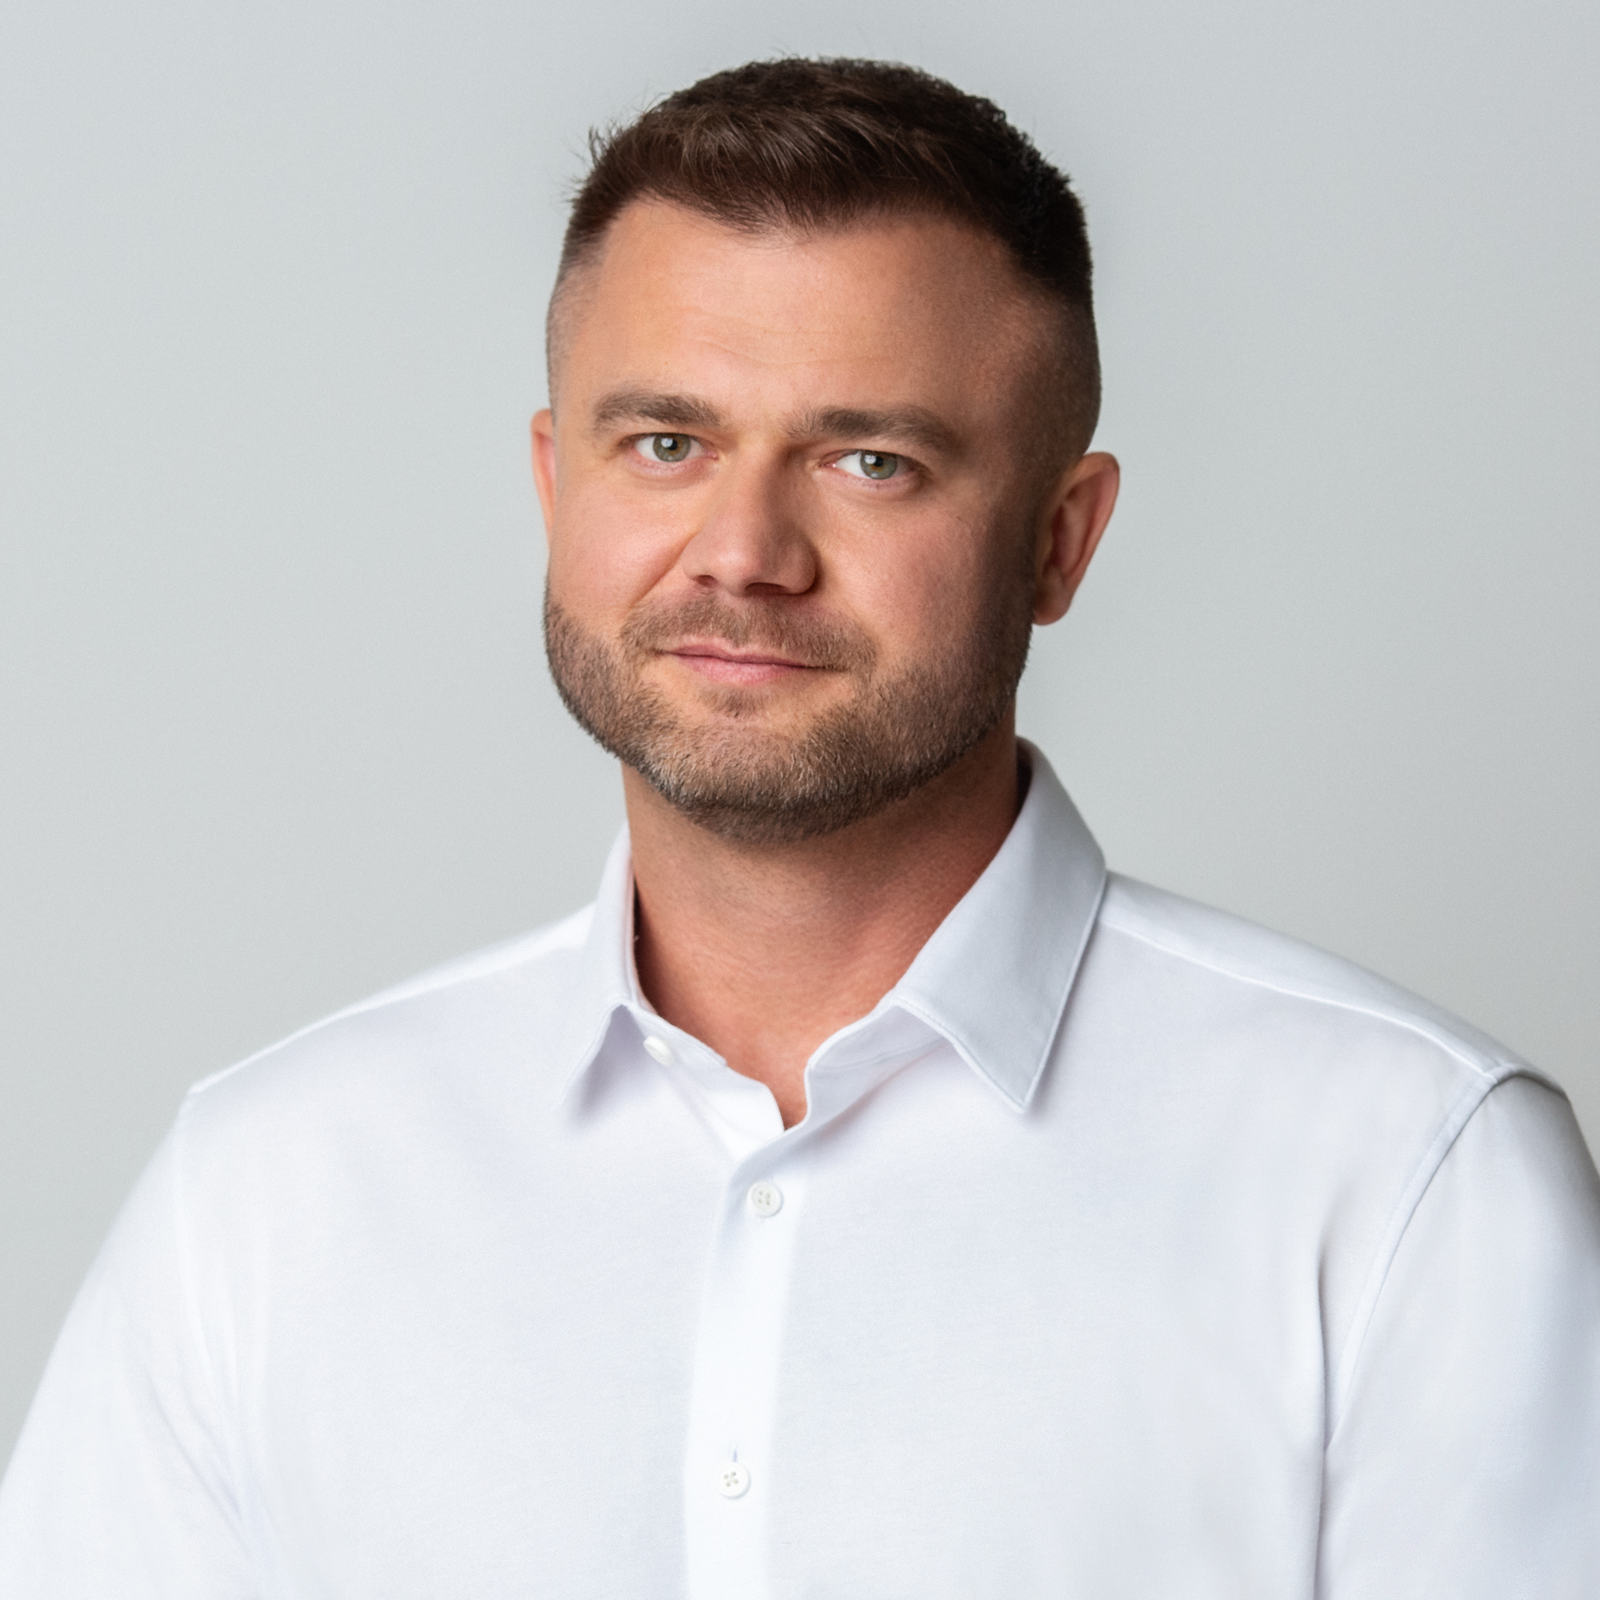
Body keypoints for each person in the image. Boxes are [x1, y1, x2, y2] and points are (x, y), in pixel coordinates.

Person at [2, 55, 1597, 1599]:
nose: (745, 551)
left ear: (1059, 541)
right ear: (557, 486)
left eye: (870, 461)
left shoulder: (1406, 1179)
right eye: (667, 445)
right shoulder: (268, 1192)